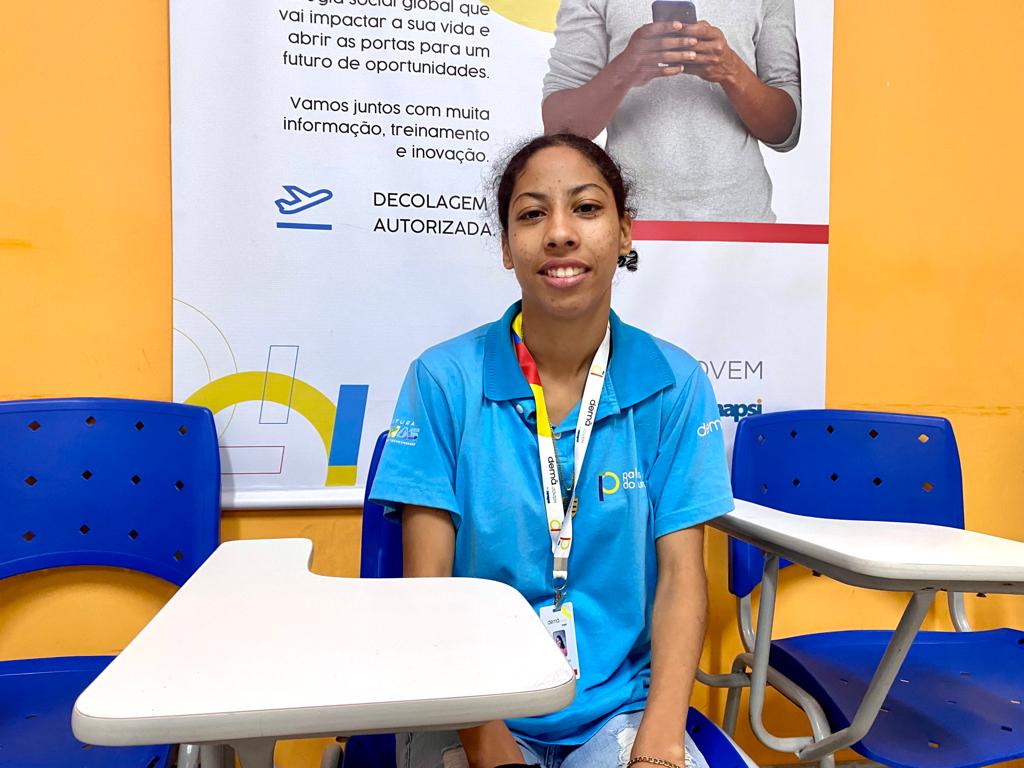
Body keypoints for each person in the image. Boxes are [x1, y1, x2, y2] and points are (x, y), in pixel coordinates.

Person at [369, 133, 734, 768]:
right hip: (466, 700)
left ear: (624, 233)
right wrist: (486, 739)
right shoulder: (443, 381)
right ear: (507, 245)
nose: (560, 233)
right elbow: (430, 588)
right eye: (533, 214)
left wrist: (658, 743)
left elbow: (681, 576)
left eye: (586, 209)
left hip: (620, 709)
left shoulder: (675, 386)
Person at [542, 0, 801, 222]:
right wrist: (625, 69)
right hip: (628, 222)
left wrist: (731, 70)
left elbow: (785, 131)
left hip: (743, 221)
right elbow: (559, 127)